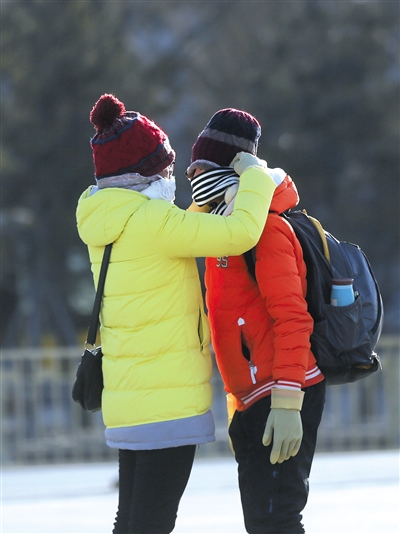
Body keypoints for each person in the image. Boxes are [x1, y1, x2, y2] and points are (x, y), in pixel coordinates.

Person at [76, 94, 279, 534]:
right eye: (166, 167)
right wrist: (258, 178)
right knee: (151, 524)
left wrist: (197, 211)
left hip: (130, 400)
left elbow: (164, 240)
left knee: (130, 522)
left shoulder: (106, 218)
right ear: (146, 173)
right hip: (167, 404)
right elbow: (239, 232)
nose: (171, 175)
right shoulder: (154, 223)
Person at [187, 108, 326, 534]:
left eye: (202, 167)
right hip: (252, 396)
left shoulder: (263, 228)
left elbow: (292, 319)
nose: (193, 176)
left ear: (231, 171)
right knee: (263, 523)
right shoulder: (220, 226)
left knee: (276, 521)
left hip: (282, 390)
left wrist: (286, 404)